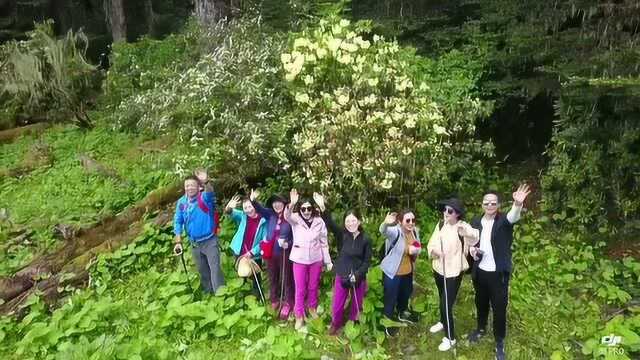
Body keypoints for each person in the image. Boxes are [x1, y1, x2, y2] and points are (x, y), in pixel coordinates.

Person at [467, 184, 531, 360]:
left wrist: (517, 204)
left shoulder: (503, 221)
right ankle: (480, 329)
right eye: (486, 203)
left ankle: (499, 341)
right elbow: (471, 242)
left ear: (498, 205)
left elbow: (513, 217)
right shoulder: (475, 222)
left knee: (499, 309)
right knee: (480, 303)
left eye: (493, 203)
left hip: (498, 275)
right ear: (482, 205)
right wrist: (473, 251)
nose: (489, 206)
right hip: (480, 273)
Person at [314, 193, 372, 335]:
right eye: (348, 221)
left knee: (357, 304)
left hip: (358, 276)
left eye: (353, 221)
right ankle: (336, 323)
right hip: (342, 273)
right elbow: (330, 222)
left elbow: (367, 262)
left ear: (359, 221)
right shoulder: (342, 235)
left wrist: (358, 275)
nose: (351, 223)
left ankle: (353, 323)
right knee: (337, 303)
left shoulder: (366, 239)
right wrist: (322, 206)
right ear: (345, 222)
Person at [426, 198, 478, 351]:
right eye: (445, 210)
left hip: (453, 272)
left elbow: (474, 237)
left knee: (445, 304)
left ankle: (450, 338)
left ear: (458, 214)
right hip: (438, 269)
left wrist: (466, 232)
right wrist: (434, 251)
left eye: (450, 211)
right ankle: (443, 322)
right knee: (442, 296)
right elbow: (431, 243)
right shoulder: (441, 224)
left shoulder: (463, 226)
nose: (446, 213)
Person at [284, 188, 332, 330]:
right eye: (303, 209)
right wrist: (292, 204)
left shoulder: (319, 222)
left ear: (313, 209)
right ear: (300, 209)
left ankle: (311, 308)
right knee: (300, 289)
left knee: (313, 286)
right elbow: (286, 216)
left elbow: (324, 243)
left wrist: (328, 261)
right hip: (299, 259)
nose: (306, 212)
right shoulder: (295, 219)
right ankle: (299, 315)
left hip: (315, 260)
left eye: (309, 208)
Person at [173, 169, 225, 294]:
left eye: (192, 185)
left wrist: (206, 181)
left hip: (209, 240)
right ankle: (209, 295)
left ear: (198, 186)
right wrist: (178, 241)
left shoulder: (204, 198)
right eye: (187, 185)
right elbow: (178, 221)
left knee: (215, 269)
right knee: (202, 271)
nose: (189, 188)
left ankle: (221, 295)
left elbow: (210, 193)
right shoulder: (181, 203)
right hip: (194, 243)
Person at [249, 189, 295, 319]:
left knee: (286, 278)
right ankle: (274, 300)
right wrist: (253, 200)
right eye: (274, 203)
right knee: (272, 276)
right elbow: (259, 209)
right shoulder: (270, 215)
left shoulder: (289, 216)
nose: (276, 205)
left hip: (285, 253)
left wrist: (288, 243)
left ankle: (287, 302)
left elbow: (296, 236)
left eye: (279, 202)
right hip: (270, 253)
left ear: (284, 203)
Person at [379, 209, 422, 337]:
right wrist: (385, 223)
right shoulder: (395, 232)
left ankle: (402, 313)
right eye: (407, 220)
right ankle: (387, 323)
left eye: (413, 220)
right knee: (390, 299)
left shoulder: (415, 231)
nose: (411, 223)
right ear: (400, 221)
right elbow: (383, 231)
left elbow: (418, 246)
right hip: (393, 273)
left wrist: (415, 250)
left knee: (405, 294)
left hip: (408, 272)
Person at [225, 194, 268, 298]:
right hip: (240, 251)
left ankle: (257, 298)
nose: (248, 210)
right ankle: (243, 297)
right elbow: (229, 213)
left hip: (254, 254)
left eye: (250, 207)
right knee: (241, 275)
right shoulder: (243, 216)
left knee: (256, 277)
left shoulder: (264, 220)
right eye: (245, 208)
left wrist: (252, 252)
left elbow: (264, 241)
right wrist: (229, 207)